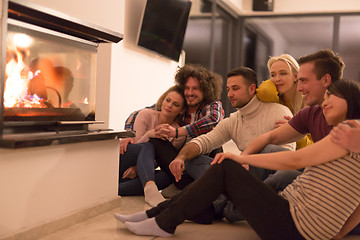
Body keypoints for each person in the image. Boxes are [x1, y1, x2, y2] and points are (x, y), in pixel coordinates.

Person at [115, 78, 360, 240]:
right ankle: (157, 215)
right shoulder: (350, 134)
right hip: (291, 216)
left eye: (331, 96)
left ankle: (163, 221)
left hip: (292, 223)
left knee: (226, 167)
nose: (324, 102)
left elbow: (294, 161)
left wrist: (241, 157)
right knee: (224, 168)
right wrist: (337, 235)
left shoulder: (349, 131)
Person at [242, 49, 345, 193]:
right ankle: (231, 202)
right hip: (312, 168)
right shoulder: (310, 112)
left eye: (303, 80)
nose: (299, 88)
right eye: (273, 75)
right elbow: (270, 137)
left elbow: (299, 159)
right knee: (267, 151)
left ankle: (234, 207)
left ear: (325, 80)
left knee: (282, 176)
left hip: (332, 183)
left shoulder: (349, 115)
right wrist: (242, 158)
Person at [142, 64, 225, 194]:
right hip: (179, 160)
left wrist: (178, 132)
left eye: (195, 88)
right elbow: (150, 109)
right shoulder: (181, 104)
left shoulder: (212, 105)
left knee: (212, 142)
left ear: (206, 90)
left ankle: (189, 187)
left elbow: (213, 119)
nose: (190, 93)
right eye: (187, 88)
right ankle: (188, 186)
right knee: (156, 140)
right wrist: (128, 133)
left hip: (201, 156)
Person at [118, 86, 187, 206]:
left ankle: (117, 190)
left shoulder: (178, 133)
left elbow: (160, 160)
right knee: (148, 146)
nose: (169, 105)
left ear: (181, 110)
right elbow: (137, 145)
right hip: (126, 157)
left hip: (143, 169)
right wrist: (150, 134)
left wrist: (139, 170)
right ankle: (150, 188)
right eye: (168, 100)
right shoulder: (146, 114)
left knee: (168, 176)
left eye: (175, 104)